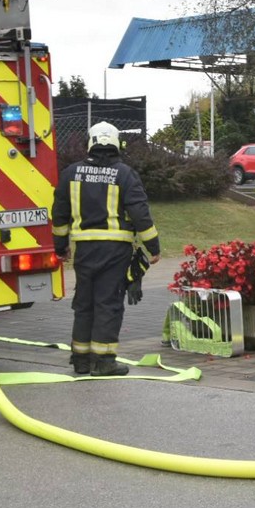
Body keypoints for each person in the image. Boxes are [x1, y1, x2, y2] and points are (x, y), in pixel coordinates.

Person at [52, 121, 160, 376]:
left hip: (84, 251)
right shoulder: (124, 174)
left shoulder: (70, 173)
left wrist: (60, 247)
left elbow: (59, 214)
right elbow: (140, 213)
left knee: (84, 303)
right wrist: (153, 247)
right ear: (116, 143)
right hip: (114, 251)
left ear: (90, 142)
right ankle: (104, 361)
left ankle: (81, 360)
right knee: (108, 304)